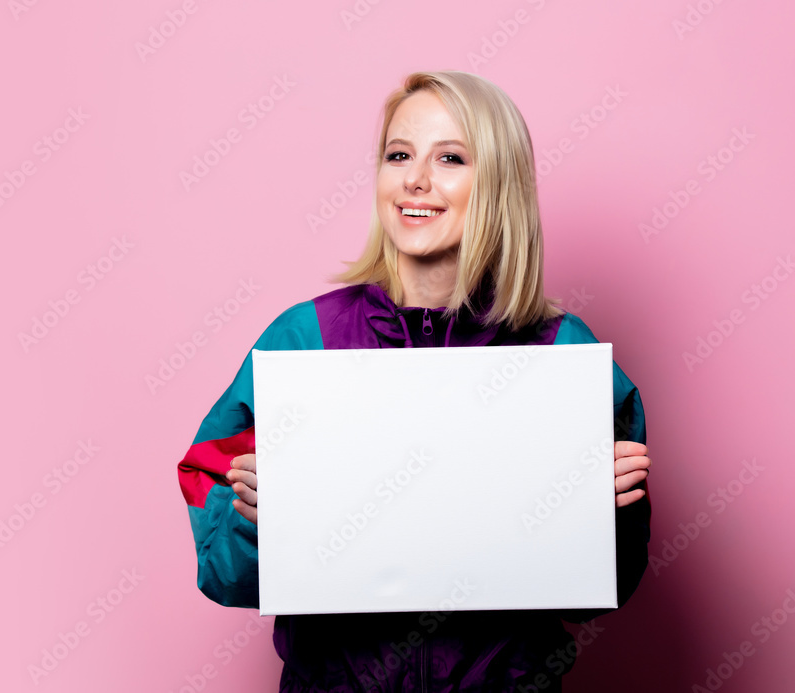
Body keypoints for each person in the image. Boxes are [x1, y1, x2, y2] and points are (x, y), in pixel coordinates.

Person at [176, 70, 652, 692]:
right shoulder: (302, 342)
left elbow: (602, 593)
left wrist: (608, 516)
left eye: (450, 158)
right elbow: (222, 574)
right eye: (398, 155)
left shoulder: (562, 349)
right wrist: (255, 518)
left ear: (499, 186)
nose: (415, 180)